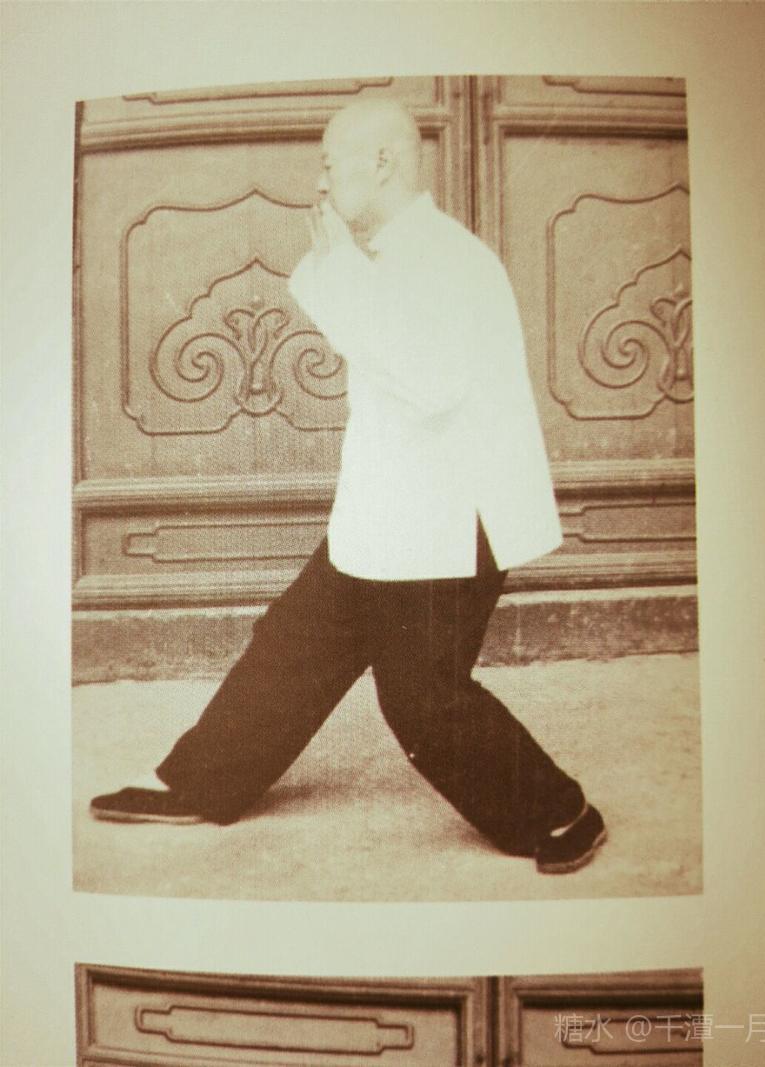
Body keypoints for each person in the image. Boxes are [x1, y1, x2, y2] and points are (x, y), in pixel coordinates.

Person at [90, 98, 606, 875]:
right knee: (294, 642)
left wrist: (336, 273)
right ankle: (202, 781)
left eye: (332, 163)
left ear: (383, 163)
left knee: (423, 698)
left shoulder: (448, 259)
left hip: (451, 523)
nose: (321, 181)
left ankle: (560, 809)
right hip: (392, 511)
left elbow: (431, 382)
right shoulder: (387, 255)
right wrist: (340, 271)